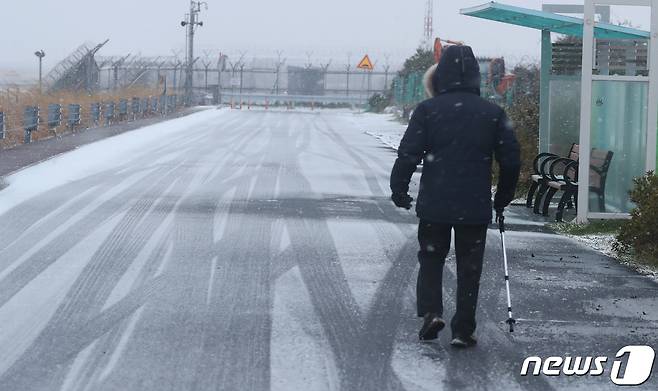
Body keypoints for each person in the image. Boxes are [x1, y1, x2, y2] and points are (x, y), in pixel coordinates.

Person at [390, 45, 521, 348]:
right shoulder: (492, 112)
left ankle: (432, 313)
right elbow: (511, 160)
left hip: (436, 201)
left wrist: (399, 187)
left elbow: (408, 153)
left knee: (431, 258)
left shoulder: (427, 111)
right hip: (473, 204)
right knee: (469, 267)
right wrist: (502, 198)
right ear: (476, 75)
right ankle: (464, 328)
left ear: (439, 77)